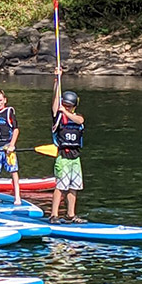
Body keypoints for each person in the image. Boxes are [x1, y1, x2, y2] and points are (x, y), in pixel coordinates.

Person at [51, 68, 86, 224]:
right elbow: (55, 101)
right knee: (61, 187)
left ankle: (71, 215)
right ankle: (54, 215)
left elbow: (80, 121)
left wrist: (65, 111)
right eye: (65, 105)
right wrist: (58, 80)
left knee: (74, 188)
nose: (67, 107)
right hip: (63, 158)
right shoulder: (58, 116)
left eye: (69, 106)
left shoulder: (77, 117)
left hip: (75, 158)